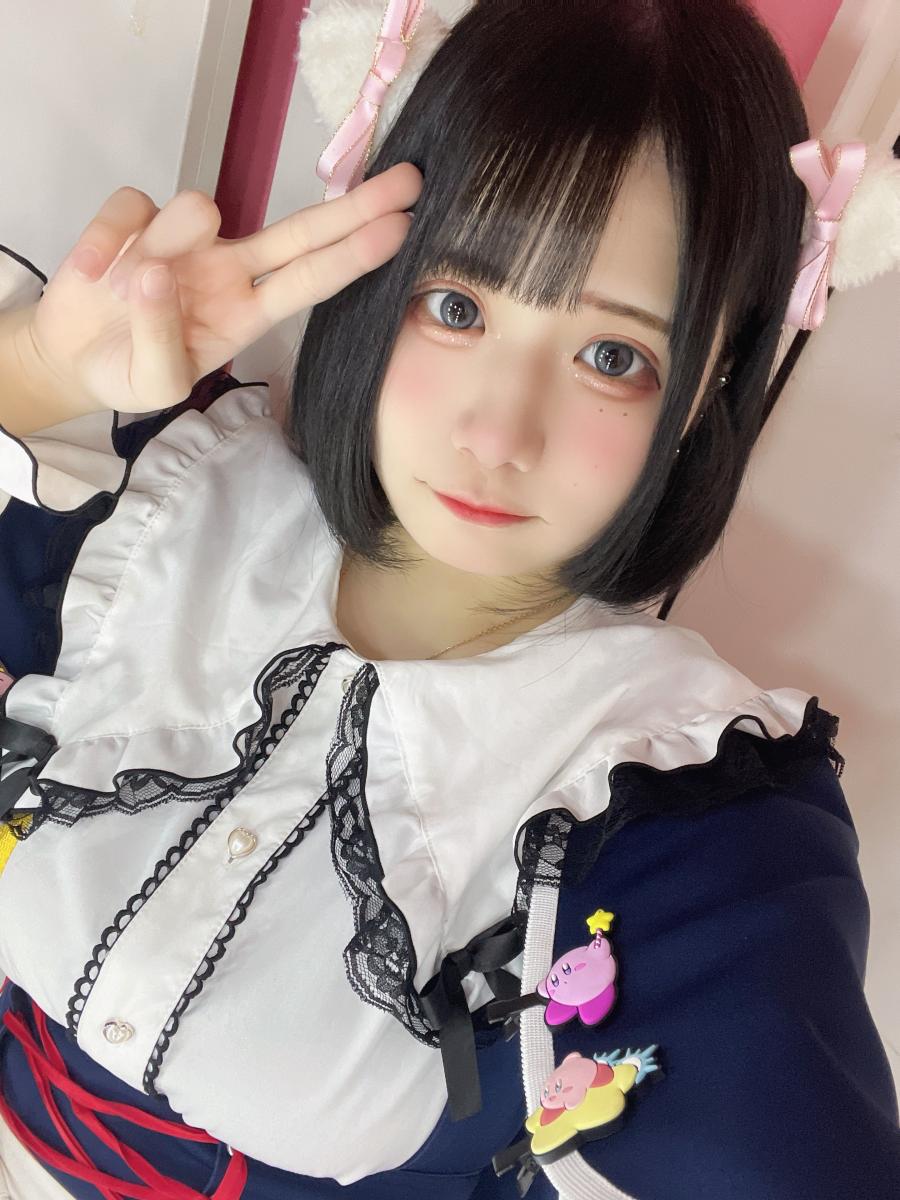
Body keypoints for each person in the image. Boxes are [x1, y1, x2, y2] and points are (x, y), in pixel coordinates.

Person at [0, 1, 898, 1197]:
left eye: (614, 357)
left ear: (707, 389)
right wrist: (34, 371)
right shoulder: (164, 495)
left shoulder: (685, 802)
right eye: (460, 306)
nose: (498, 434)